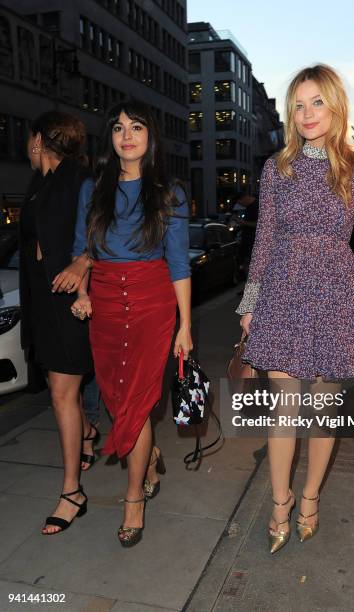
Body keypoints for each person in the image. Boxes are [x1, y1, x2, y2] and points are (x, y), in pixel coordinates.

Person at [236, 64, 354, 554]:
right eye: (298, 104)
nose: (307, 113)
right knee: (283, 412)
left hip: (337, 294)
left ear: (335, 105)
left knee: (323, 412)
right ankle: (280, 502)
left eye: (316, 102)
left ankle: (310, 497)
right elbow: (265, 238)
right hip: (284, 292)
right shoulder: (277, 168)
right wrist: (251, 305)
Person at [53, 101, 191, 547]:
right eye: (117, 128)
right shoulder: (94, 190)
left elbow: (177, 265)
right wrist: (82, 292)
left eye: (135, 127)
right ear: (110, 138)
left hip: (152, 303)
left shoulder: (170, 193)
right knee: (115, 399)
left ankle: (134, 500)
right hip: (107, 304)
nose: (126, 135)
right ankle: (147, 456)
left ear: (151, 137)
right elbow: (82, 248)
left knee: (135, 401)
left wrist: (185, 325)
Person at [19, 111, 95, 535]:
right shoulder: (39, 183)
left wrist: (82, 264)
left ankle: (72, 492)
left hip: (70, 302)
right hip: (42, 300)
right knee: (59, 388)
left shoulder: (80, 179)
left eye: (27, 140)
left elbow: (101, 233)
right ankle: (88, 433)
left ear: (38, 139)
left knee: (62, 393)